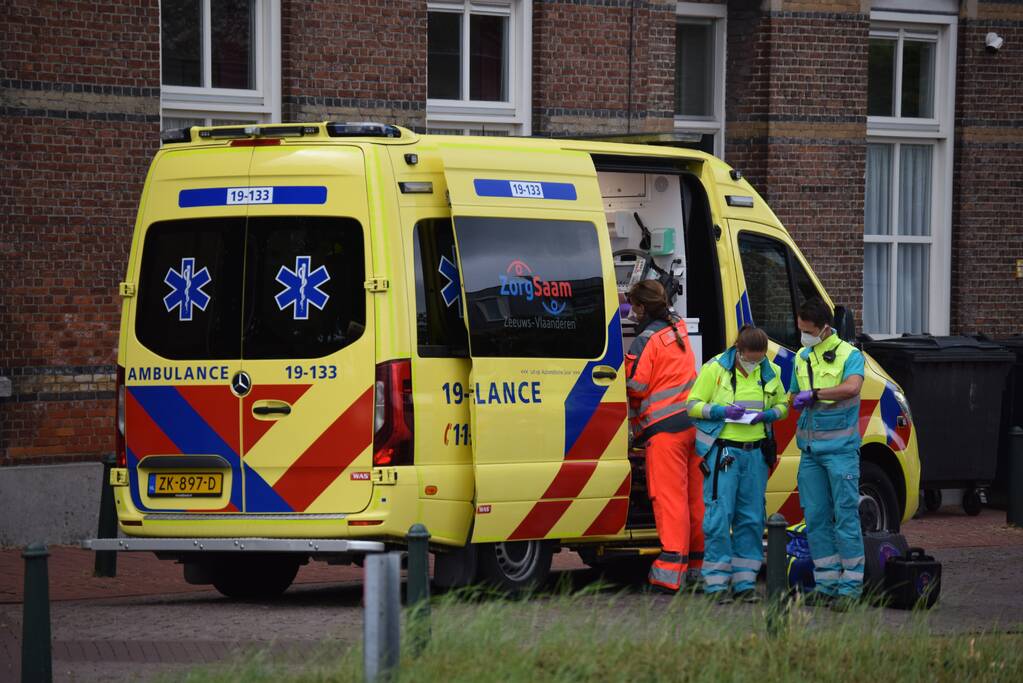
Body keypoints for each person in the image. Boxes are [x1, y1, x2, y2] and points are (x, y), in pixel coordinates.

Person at [687, 325, 789, 603]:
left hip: (755, 454)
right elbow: (692, 405)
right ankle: (716, 585)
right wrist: (721, 411)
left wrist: (769, 414)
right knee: (719, 518)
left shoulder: (770, 371)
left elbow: (783, 405)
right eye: (750, 358)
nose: (755, 363)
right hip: (724, 453)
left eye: (759, 358)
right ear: (739, 350)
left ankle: (745, 583)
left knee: (752, 519)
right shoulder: (715, 369)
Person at [624, 280, 703, 593]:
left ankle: (669, 575)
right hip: (693, 424)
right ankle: (697, 568)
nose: (631, 313)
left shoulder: (645, 340)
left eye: (633, 307)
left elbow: (636, 386)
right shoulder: (678, 326)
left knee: (670, 501)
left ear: (642, 307)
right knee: (695, 500)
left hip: (665, 431)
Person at [790, 298, 865, 611]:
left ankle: (850, 588)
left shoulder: (850, 355)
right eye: (801, 330)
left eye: (808, 331)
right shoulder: (801, 357)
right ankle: (827, 585)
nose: (803, 335)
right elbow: (794, 394)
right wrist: (796, 398)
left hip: (841, 452)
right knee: (816, 519)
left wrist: (816, 394)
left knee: (845, 518)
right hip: (810, 453)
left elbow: (852, 388)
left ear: (824, 328)